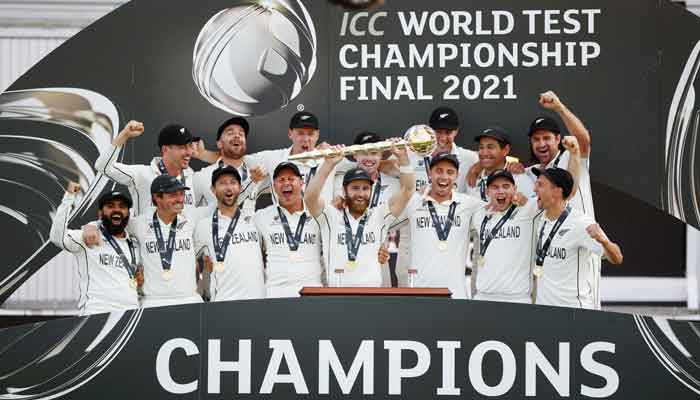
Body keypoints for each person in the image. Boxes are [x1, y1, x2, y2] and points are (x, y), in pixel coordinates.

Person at [524, 90, 602, 306]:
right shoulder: (530, 173)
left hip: (581, 245)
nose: (542, 144)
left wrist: (558, 107)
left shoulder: (571, 154)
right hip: (551, 254)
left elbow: (584, 139)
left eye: (547, 138)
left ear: (558, 139)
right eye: (536, 139)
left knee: (585, 309)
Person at [305, 143, 415, 287]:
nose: (361, 194)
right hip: (337, 294)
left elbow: (408, 189)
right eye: (355, 188)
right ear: (344, 191)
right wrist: (328, 164)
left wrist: (403, 158)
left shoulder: (380, 215)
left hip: (372, 295)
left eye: (365, 188)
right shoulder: (330, 216)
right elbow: (309, 198)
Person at [392, 153, 484, 299]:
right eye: (439, 171)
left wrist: (520, 199)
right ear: (430, 173)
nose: (444, 177)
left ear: (457, 176)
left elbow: (500, 209)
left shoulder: (470, 204)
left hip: (455, 294)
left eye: (450, 172)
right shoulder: (414, 201)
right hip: (419, 292)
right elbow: (381, 221)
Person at [532, 167, 623, 309]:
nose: (534, 189)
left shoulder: (580, 223)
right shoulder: (542, 220)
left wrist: (603, 241)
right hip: (545, 310)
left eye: (540, 185)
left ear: (557, 191)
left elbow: (617, 258)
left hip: (572, 312)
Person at [50, 182, 140, 315]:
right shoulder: (87, 237)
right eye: (110, 206)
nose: (117, 210)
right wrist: (69, 198)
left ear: (128, 213)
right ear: (100, 213)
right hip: (97, 313)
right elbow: (56, 237)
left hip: (130, 314)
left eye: (122, 207)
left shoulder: (135, 244)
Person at [95, 121, 204, 215]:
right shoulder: (141, 174)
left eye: (190, 146)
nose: (189, 152)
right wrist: (124, 135)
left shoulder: (193, 177)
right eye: (182, 147)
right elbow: (103, 166)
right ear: (165, 149)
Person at [194, 166, 265, 301]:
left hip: (258, 302)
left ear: (239, 188)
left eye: (233, 182)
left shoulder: (255, 220)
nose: (228, 187)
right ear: (213, 189)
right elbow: (188, 263)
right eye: (222, 183)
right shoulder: (203, 226)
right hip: (223, 304)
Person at [254, 162, 323, 297]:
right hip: (275, 293)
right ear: (274, 186)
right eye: (281, 180)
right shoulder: (261, 216)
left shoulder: (317, 214)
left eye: (291, 179)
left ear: (302, 182)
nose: (286, 183)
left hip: (312, 292)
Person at [470, 170, 539, 303]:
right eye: (495, 187)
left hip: (519, 299)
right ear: (487, 192)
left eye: (506, 186)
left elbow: (558, 196)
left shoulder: (529, 208)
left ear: (515, 189)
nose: (501, 191)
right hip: (483, 297)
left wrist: (577, 155)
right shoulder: (478, 215)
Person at [192, 117, 264, 212]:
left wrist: (204, 155)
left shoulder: (257, 169)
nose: (237, 136)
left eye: (241, 134)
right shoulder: (202, 176)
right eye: (230, 133)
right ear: (219, 144)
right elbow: (187, 214)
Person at [466, 127, 534, 201]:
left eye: (490, 147)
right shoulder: (472, 176)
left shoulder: (519, 179)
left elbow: (533, 208)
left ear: (505, 150)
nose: (484, 153)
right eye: (481, 147)